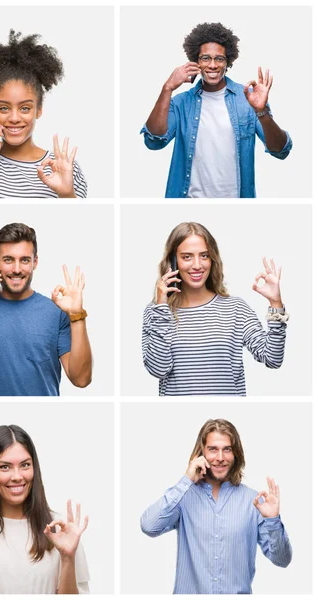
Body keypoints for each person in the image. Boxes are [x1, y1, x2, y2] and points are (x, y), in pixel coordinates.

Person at [141, 22, 291, 198]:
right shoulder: (181, 103)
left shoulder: (247, 100)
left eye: (219, 59)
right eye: (205, 58)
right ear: (196, 61)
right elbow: (154, 142)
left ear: (228, 62)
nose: (212, 65)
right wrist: (167, 88)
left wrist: (262, 111)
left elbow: (281, 150)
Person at [141, 418, 291, 594]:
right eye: (213, 449)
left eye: (227, 449)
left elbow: (282, 560)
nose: (220, 458)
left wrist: (273, 520)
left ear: (236, 454)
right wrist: (186, 480)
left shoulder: (254, 502)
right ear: (201, 452)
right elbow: (149, 526)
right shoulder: (183, 496)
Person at [0, 222, 92, 395]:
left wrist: (77, 315)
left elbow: (81, 379)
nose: (16, 269)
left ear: (35, 262)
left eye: (25, 260)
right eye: (8, 260)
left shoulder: (56, 313)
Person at [142, 222, 287, 396]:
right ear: (173, 262)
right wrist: (162, 308)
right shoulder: (157, 311)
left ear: (212, 259)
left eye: (204, 256)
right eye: (187, 257)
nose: (197, 265)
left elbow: (272, 358)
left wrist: (276, 304)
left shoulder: (236, 309)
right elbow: (158, 369)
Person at [0, 424, 89, 593]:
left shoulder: (59, 529)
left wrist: (67, 557)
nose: (17, 476)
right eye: (4, 467)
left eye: (25, 465)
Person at [0, 30, 87, 198]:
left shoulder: (64, 167)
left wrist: (67, 194)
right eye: (4, 108)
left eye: (25, 108)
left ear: (39, 109)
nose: (14, 118)